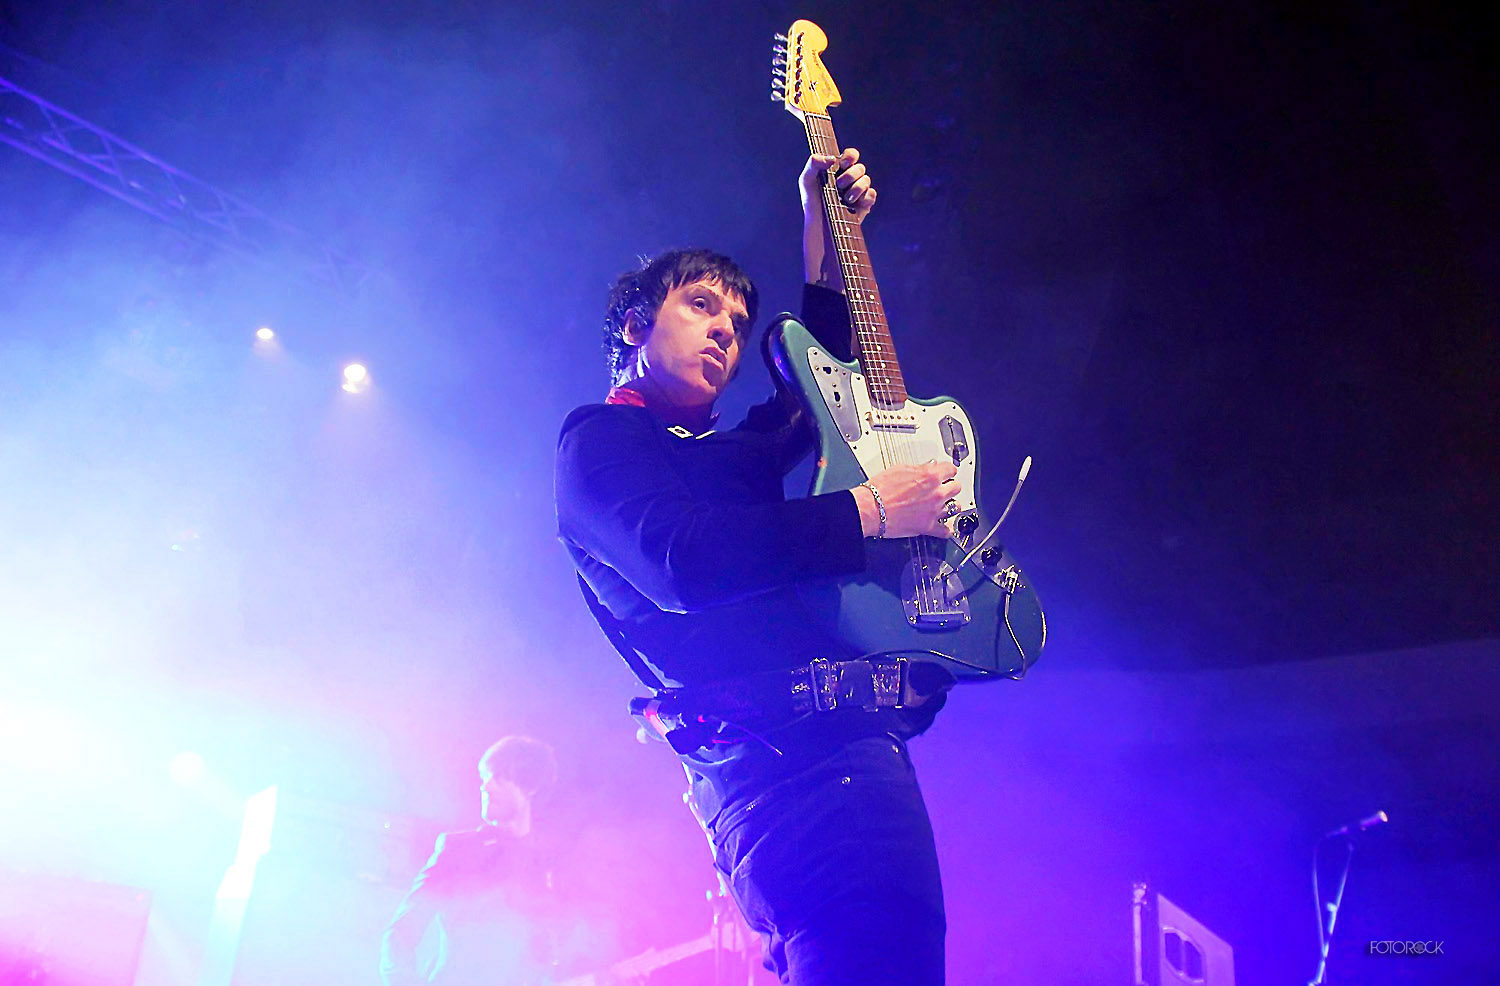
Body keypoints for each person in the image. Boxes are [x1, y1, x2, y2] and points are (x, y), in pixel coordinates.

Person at [554, 149, 962, 985]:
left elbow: (814, 395)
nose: (726, 332)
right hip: (784, 779)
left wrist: (825, 229)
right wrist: (871, 512)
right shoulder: (600, 441)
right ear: (635, 325)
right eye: (700, 306)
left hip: (854, 752)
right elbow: (683, 563)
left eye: (738, 324)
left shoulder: (724, 458)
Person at [380, 736, 562, 986]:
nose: (485, 787)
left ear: (530, 787)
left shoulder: (547, 862)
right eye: (484, 778)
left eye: (498, 777)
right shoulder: (459, 850)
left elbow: (547, 954)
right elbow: (401, 934)